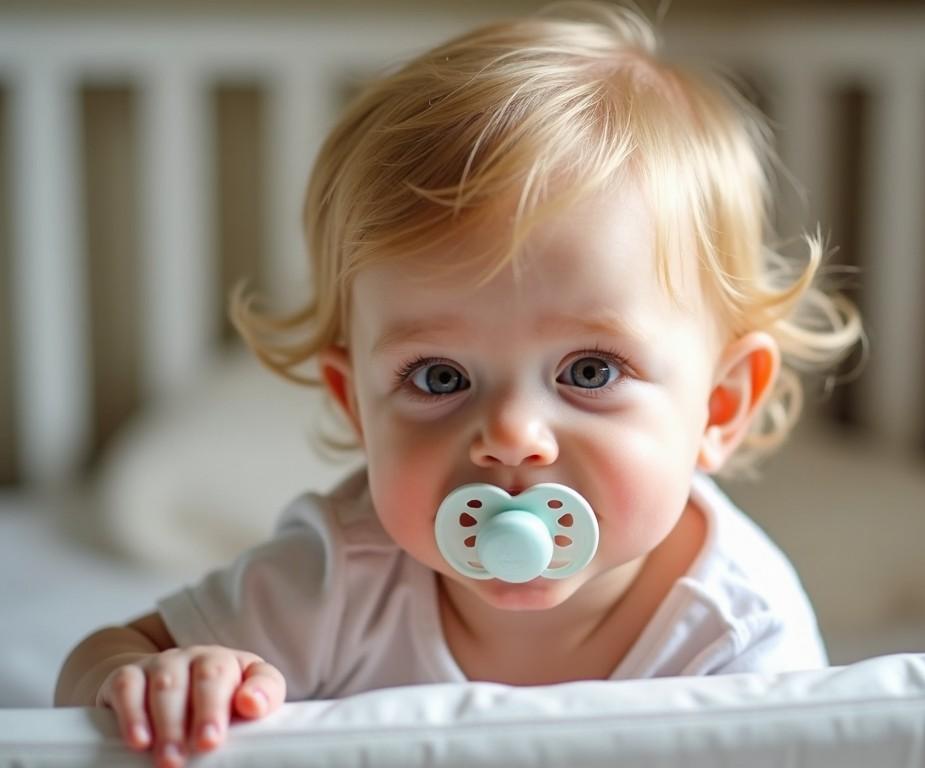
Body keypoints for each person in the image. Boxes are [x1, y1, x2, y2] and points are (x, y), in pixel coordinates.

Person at [55, 3, 862, 766]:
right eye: (439, 376)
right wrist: (158, 685)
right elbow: (102, 660)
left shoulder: (741, 639)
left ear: (720, 405)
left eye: (590, 371)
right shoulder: (343, 575)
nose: (511, 433)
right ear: (356, 408)